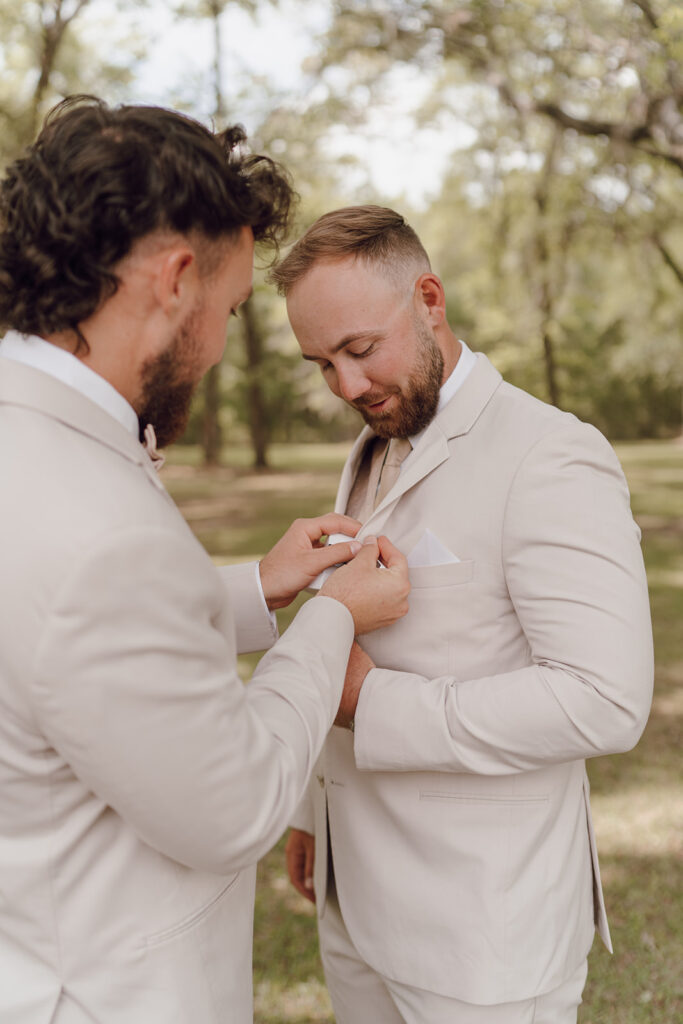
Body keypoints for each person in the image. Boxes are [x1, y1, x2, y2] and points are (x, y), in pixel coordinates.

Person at [0, 105, 410, 1024]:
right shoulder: (96, 526)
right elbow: (234, 807)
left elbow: (54, 641)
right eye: (228, 309)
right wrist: (332, 618)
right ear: (175, 281)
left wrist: (256, 588)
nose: (222, 346)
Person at [272, 205, 654, 1024]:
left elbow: (604, 699)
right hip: (356, 899)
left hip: (481, 935)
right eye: (321, 364)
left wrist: (372, 705)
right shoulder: (375, 439)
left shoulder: (549, 453)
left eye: (360, 350)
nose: (345, 387)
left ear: (429, 300)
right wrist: (314, 811)